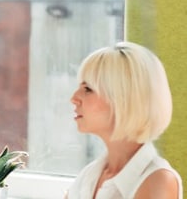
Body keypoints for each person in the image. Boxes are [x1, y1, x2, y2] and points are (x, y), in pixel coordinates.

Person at [65, 42, 181, 199]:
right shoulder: (88, 176)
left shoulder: (158, 181)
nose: (74, 98)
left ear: (123, 99)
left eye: (88, 89)